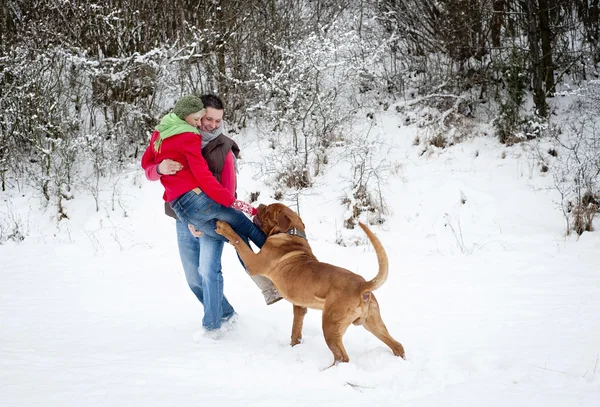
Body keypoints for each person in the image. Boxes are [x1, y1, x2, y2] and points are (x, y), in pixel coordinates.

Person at [141, 94, 281, 331]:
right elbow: (149, 169)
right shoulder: (174, 134)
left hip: (212, 214)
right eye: (208, 119)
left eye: (218, 121)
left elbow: (228, 189)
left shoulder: (223, 147)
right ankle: (226, 314)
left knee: (209, 270)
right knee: (193, 278)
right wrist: (159, 168)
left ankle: (216, 324)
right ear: (195, 115)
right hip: (183, 216)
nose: (212, 125)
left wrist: (214, 212)